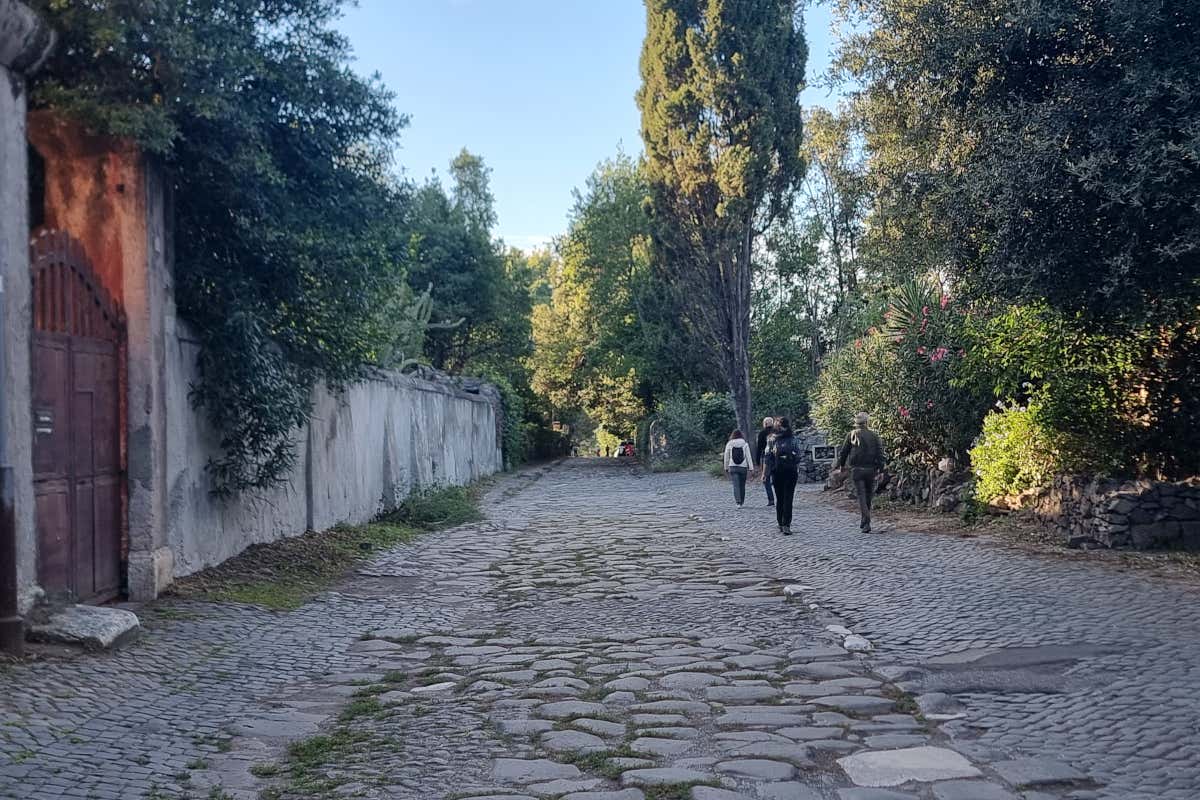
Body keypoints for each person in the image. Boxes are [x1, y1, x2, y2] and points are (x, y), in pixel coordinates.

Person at [836, 412, 886, 533]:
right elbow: (880, 453)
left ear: (856, 423)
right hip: (871, 469)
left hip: (857, 469)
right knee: (869, 495)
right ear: (867, 422)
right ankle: (866, 521)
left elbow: (844, 452)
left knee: (861, 495)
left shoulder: (851, 434)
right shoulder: (874, 435)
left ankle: (866, 519)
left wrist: (841, 465)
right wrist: (881, 469)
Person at [769, 418, 801, 535]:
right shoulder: (794, 439)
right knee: (789, 498)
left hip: (777, 472)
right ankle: (787, 524)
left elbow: (768, 456)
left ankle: (780, 523)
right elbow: (798, 456)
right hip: (791, 472)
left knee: (779, 498)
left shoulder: (772, 439)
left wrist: (768, 471)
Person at [723, 429, 755, 508]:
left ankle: (738, 502)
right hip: (743, 467)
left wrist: (726, 467)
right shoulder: (745, 444)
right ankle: (742, 501)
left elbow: (726, 456)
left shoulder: (729, 443)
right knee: (742, 485)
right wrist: (751, 468)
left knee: (736, 485)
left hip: (733, 466)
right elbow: (748, 456)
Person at [755, 417, 776, 507]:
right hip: (777, 458)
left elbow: (759, 447)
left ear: (765, 424)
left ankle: (771, 499)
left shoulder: (762, 433)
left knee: (766, 479)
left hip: (766, 457)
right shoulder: (777, 432)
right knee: (777, 478)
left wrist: (757, 460)